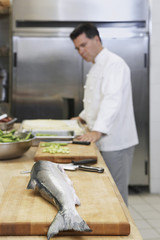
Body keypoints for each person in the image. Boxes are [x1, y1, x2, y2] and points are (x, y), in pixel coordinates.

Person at [70, 23, 138, 206]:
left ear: (97, 39)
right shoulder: (96, 65)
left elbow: (111, 100)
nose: (81, 51)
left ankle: (122, 233)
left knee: (116, 193)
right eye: (77, 48)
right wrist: (82, 116)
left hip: (116, 142)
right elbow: (96, 99)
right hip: (101, 139)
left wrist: (97, 131)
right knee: (105, 190)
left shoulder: (114, 64)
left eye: (83, 45)